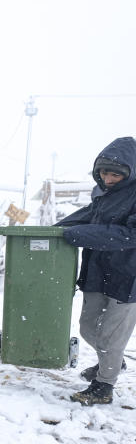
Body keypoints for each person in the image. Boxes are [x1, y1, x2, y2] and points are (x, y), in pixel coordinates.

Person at [55, 136, 136, 406]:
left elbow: (129, 234)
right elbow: (90, 214)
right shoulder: (102, 193)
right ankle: (112, 360)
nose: (109, 178)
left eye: (116, 174)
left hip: (128, 277)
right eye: (104, 172)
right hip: (99, 271)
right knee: (88, 327)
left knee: (111, 336)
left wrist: (79, 234)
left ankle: (104, 386)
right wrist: (58, 229)